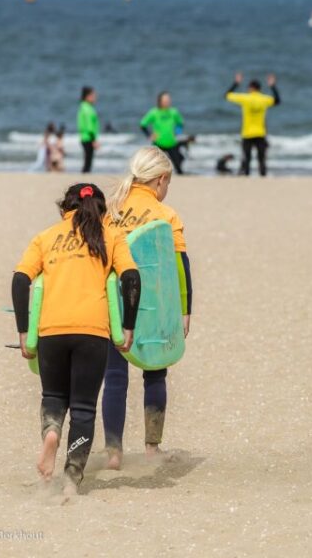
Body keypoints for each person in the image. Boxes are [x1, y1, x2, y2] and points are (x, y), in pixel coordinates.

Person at [11, 184, 140, 495]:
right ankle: (71, 476)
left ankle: (52, 431)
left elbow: (20, 279)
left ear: (64, 209)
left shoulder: (45, 237)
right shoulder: (111, 236)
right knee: (83, 407)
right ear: (101, 211)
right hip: (92, 332)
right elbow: (131, 278)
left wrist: (24, 331)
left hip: (51, 331)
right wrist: (128, 326)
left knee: (54, 397)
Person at [102, 147, 193, 469]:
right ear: (161, 179)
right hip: (153, 305)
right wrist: (184, 310)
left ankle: (113, 452)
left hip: (114, 301)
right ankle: (152, 449)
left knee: (114, 375)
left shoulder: (110, 210)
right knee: (155, 371)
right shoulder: (166, 214)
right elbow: (180, 267)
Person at [225, 72, 280, 177]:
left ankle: (246, 177)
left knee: (247, 158)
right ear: (259, 89)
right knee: (261, 159)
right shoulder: (264, 99)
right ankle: (263, 177)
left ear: (251, 88)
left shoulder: (246, 98)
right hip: (260, 132)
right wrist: (272, 86)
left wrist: (236, 83)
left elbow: (227, 95)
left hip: (247, 133)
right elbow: (277, 101)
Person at [140, 92, 187, 175]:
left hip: (171, 143)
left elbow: (180, 123)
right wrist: (149, 135)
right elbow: (143, 125)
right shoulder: (154, 112)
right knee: (154, 169)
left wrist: (177, 132)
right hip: (158, 143)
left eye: (168, 99)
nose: (167, 101)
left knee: (179, 168)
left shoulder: (173, 112)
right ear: (160, 101)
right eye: (165, 100)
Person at [77, 86, 99, 173]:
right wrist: (94, 140)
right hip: (88, 138)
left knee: (87, 162)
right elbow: (90, 127)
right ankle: (84, 182)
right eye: (93, 96)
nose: (95, 98)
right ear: (87, 96)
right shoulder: (87, 109)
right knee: (88, 163)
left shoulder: (83, 107)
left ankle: (84, 180)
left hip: (85, 137)